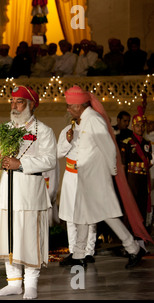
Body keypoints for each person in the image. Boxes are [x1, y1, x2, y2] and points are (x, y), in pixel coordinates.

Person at [64, 85, 151, 269]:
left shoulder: (94, 120)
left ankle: (133, 249)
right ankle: (79, 254)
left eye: (70, 105)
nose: (68, 109)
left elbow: (109, 148)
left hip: (96, 176)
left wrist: (112, 172)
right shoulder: (83, 120)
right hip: (86, 174)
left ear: (79, 106)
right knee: (82, 215)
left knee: (107, 215)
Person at [0, 85, 57, 299]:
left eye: (19, 102)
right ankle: (13, 282)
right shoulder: (5, 128)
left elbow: (50, 160)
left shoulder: (43, 130)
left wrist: (21, 163)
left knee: (28, 238)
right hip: (5, 192)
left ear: (31, 105)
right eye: (12, 101)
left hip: (29, 194)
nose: (14, 106)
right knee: (8, 238)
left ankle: (31, 283)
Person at [57, 119, 97, 266]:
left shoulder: (94, 130)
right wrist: (68, 141)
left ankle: (88, 251)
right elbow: (58, 153)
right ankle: (74, 251)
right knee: (70, 215)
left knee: (89, 215)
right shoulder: (67, 130)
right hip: (70, 175)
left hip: (88, 175)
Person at [119, 106, 152, 248]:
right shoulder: (127, 143)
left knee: (142, 209)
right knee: (130, 211)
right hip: (131, 180)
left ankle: (141, 240)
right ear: (133, 126)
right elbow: (123, 165)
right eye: (137, 125)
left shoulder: (147, 144)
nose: (140, 128)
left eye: (142, 125)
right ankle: (129, 242)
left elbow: (149, 162)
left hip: (143, 179)